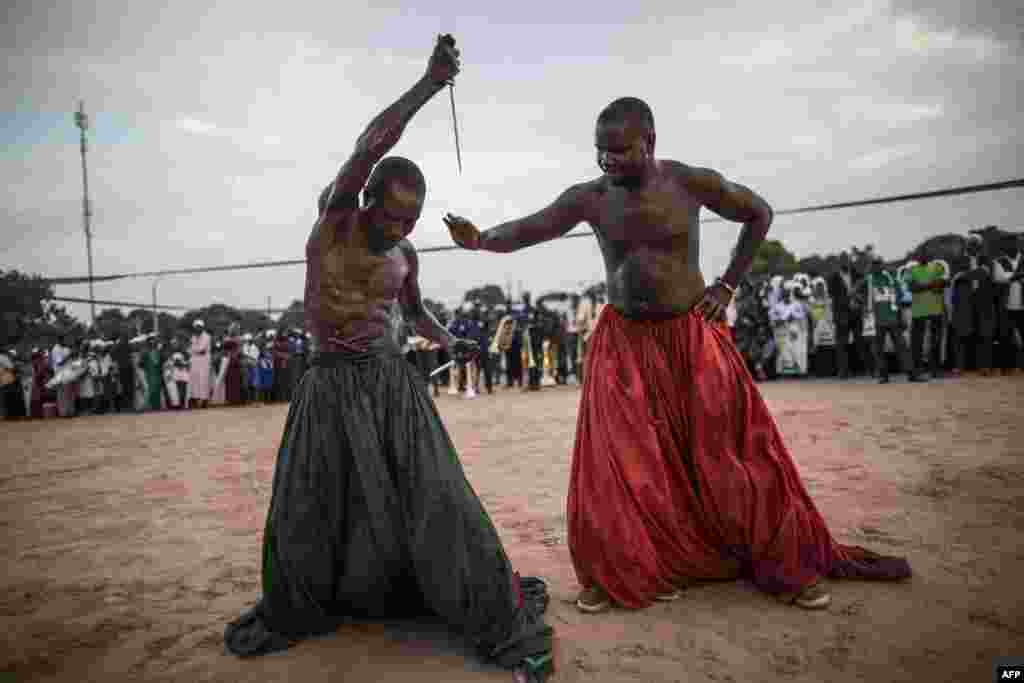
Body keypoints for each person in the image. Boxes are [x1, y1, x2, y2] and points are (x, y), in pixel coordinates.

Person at [445, 96, 911, 614]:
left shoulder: (691, 182)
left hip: (691, 334)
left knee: (732, 454)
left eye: (620, 151)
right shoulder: (590, 197)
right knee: (618, 464)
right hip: (622, 341)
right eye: (601, 152)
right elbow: (533, 228)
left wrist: (729, 284)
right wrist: (481, 240)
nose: (608, 162)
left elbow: (759, 213)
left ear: (650, 142)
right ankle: (618, 570)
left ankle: (784, 562)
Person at [224, 36, 554, 681]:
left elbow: (417, 313)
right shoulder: (335, 220)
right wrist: (430, 84)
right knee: (316, 507)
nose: (403, 228)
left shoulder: (407, 256)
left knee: (438, 499)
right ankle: (333, 597)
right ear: (367, 199)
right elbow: (370, 144)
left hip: (392, 385)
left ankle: (486, 612)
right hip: (328, 386)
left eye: (414, 218)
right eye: (396, 215)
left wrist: (448, 338)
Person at [862, 258, 920, 384]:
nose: (876, 267)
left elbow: (899, 296)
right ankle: (883, 375)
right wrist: (864, 304)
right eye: (874, 264)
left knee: (902, 347)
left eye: (878, 264)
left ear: (882, 265)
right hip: (876, 321)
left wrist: (900, 315)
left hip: (892, 319)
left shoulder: (891, 279)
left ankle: (911, 373)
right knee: (878, 349)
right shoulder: (868, 279)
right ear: (871, 266)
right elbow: (853, 291)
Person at [903, 251, 947, 379]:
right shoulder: (912, 270)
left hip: (935, 310)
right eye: (920, 255)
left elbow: (943, 284)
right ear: (917, 258)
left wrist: (923, 285)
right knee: (917, 344)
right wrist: (931, 284)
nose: (923, 257)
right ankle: (918, 370)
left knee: (936, 342)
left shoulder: (937, 267)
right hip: (918, 311)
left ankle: (936, 370)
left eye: (926, 255)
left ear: (930, 257)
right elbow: (912, 287)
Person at [827, 252, 865, 379]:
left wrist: (858, 299)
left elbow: (864, 291)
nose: (845, 263)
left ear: (849, 261)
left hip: (856, 313)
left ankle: (865, 369)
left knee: (860, 341)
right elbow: (833, 296)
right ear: (839, 262)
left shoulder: (857, 274)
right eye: (842, 260)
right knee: (841, 344)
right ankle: (843, 371)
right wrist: (849, 297)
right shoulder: (833, 278)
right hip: (841, 314)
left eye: (846, 260)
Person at [188, 320, 211, 408]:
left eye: (199, 326)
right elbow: (191, 349)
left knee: (203, 381)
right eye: (196, 326)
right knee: (194, 380)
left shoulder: (207, 336)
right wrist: (194, 350)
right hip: (195, 361)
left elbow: (202, 349)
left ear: (202, 327)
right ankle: (194, 399)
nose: (198, 328)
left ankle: (204, 400)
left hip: (204, 361)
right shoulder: (193, 337)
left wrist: (193, 350)